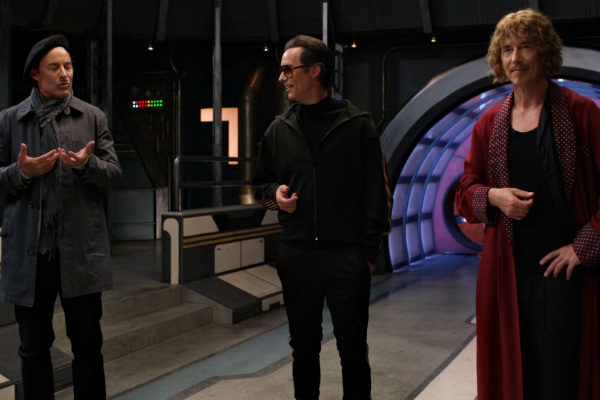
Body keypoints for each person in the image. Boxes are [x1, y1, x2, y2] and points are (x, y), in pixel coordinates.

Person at [456, 9, 600, 400]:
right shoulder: (489, 122)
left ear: (545, 52)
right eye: (506, 49)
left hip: (567, 272)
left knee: (562, 374)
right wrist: (495, 197)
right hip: (507, 269)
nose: (515, 58)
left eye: (525, 47)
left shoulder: (582, 113)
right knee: (516, 373)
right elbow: (465, 192)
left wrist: (584, 246)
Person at [253, 35, 391, 399]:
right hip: (297, 255)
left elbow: (378, 193)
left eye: (288, 69)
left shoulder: (358, 125)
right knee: (303, 350)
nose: (282, 77)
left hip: (347, 255)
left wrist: (367, 255)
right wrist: (275, 196)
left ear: (315, 70)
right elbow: (260, 186)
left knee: (353, 351)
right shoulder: (278, 130)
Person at [0, 34, 122, 399]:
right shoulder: (9, 121)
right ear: (35, 74)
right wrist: (20, 172)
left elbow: (114, 174)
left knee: (88, 347)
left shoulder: (92, 117)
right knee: (33, 348)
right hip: (31, 253)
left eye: (68, 66)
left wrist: (87, 165)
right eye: (54, 67)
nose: (64, 74)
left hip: (80, 251)